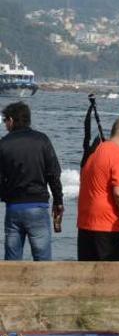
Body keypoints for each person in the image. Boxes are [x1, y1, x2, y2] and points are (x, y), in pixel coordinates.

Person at [0, 102, 63, 261]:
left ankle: (12, 286)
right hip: (38, 207)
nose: (5, 124)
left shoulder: (3, 144)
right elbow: (53, 174)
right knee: (42, 260)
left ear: (12, 120)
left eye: (5, 120)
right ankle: (42, 286)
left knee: (12, 262)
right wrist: (58, 201)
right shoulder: (42, 140)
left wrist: (6, 195)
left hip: (13, 208)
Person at [77, 116, 119, 261]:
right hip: (108, 226)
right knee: (115, 278)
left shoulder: (94, 153)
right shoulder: (118, 156)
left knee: (88, 276)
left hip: (86, 224)